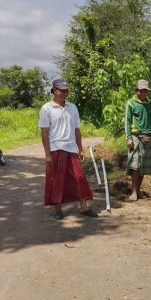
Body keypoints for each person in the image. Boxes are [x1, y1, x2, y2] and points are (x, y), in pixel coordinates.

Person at [39, 78, 98, 220]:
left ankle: (83, 207)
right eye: (62, 90)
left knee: (79, 178)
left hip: (71, 148)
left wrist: (81, 149)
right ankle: (58, 209)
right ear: (54, 91)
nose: (65, 93)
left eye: (66, 90)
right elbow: (45, 133)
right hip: (55, 148)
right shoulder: (46, 108)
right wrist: (47, 154)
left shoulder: (72, 108)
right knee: (57, 180)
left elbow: (77, 130)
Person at [124, 79, 151, 201]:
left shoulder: (150, 104)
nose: (143, 93)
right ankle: (133, 192)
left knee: (144, 166)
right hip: (136, 136)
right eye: (141, 90)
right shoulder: (131, 103)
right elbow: (127, 121)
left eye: (145, 91)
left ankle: (138, 190)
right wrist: (129, 137)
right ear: (137, 90)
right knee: (135, 165)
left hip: (148, 136)